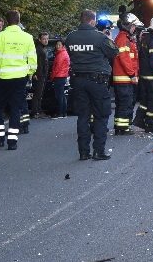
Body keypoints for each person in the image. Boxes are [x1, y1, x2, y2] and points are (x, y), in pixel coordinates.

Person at [65, 9, 119, 160]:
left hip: (78, 81)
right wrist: (108, 38)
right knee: (101, 115)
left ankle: (83, 152)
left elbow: (70, 54)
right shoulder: (99, 37)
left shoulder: (71, 37)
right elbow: (114, 52)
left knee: (82, 116)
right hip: (97, 81)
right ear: (92, 21)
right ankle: (98, 151)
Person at [0, 10, 37, 150]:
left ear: (6, 22)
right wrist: (30, 74)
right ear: (19, 21)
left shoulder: (0, 37)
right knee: (15, 109)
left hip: (1, 78)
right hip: (19, 78)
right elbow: (32, 59)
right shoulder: (28, 37)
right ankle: (12, 142)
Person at [132, 15, 153, 133]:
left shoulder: (146, 38)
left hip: (144, 76)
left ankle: (140, 120)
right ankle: (151, 124)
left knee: (145, 101)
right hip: (152, 78)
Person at [112, 13, 142, 135]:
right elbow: (125, 60)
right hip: (124, 79)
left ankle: (121, 126)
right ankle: (123, 128)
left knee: (123, 104)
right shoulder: (123, 39)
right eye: (133, 26)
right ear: (127, 25)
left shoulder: (125, 38)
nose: (134, 29)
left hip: (124, 79)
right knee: (125, 104)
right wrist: (132, 75)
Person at [30, 32, 50, 119]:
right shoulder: (38, 49)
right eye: (44, 39)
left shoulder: (42, 48)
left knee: (39, 94)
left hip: (42, 75)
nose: (46, 40)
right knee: (37, 94)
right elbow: (36, 62)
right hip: (39, 75)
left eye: (47, 39)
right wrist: (35, 73)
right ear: (39, 39)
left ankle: (38, 110)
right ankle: (35, 112)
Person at [49, 38, 70, 118]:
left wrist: (52, 76)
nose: (57, 46)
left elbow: (57, 68)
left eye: (59, 45)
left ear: (63, 46)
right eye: (57, 45)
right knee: (62, 95)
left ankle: (60, 113)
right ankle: (64, 113)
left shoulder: (61, 54)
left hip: (59, 76)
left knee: (59, 96)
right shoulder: (63, 53)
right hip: (62, 76)